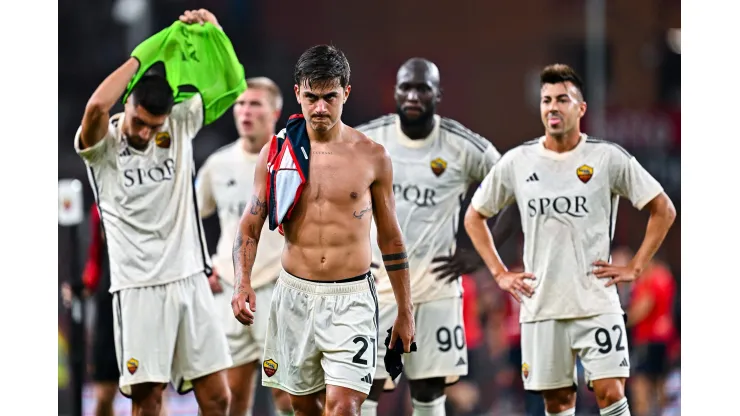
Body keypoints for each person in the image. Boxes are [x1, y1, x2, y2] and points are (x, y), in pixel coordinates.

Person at [464, 63, 677, 416]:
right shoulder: (518, 161)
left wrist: (636, 266)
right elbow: (475, 215)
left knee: (611, 392)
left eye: (562, 99)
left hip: (596, 301)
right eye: (547, 100)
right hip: (542, 306)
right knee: (558, 402)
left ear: (581, 109)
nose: (552, 107)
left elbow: (663, 209)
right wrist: (500, 273)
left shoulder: (607, 158)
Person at [231, 44, 415, 416]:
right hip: (294, 296)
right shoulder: (277, 152)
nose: (319, 108)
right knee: (302, 407)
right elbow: (250, 225)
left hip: (352, 299)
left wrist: (405, 310)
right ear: (297, 92)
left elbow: (391, 236)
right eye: (311, 97)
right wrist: (242, 283)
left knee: (344, 407)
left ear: (345, 93)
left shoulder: (372, 155)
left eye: (329, 97)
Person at [74, 9, 240, 416]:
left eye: (154, 125)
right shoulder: (104, 148)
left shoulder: (178, 125)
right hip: (139, 289)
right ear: (128, 101)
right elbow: (96, 106)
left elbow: (228, 83)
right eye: (140, 122)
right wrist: (142, 58)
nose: (146, 132)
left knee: (219, 397)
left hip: (189, 280)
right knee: (148, 401)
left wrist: (214, 32)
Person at [354, 57, 516, 416]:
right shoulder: (367, 139)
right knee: (365, 390)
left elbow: (515, 189)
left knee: (428, 394)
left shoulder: (461, 145)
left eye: (422, 88)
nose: (412, 95)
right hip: (375, 290)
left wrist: (479, 255)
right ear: (394, 91)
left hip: (436, 292)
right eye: (405, 87)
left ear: (437, 94)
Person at [196, 77, 293, 416]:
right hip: (230, 289)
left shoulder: (293, 161)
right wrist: (204, 265)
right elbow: (191, 217)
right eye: (241, 104)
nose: (245, 111)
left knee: (288, 395)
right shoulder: (218, 164)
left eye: (255, 104)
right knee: (231, 394)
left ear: (275, 112)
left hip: (278, 288)